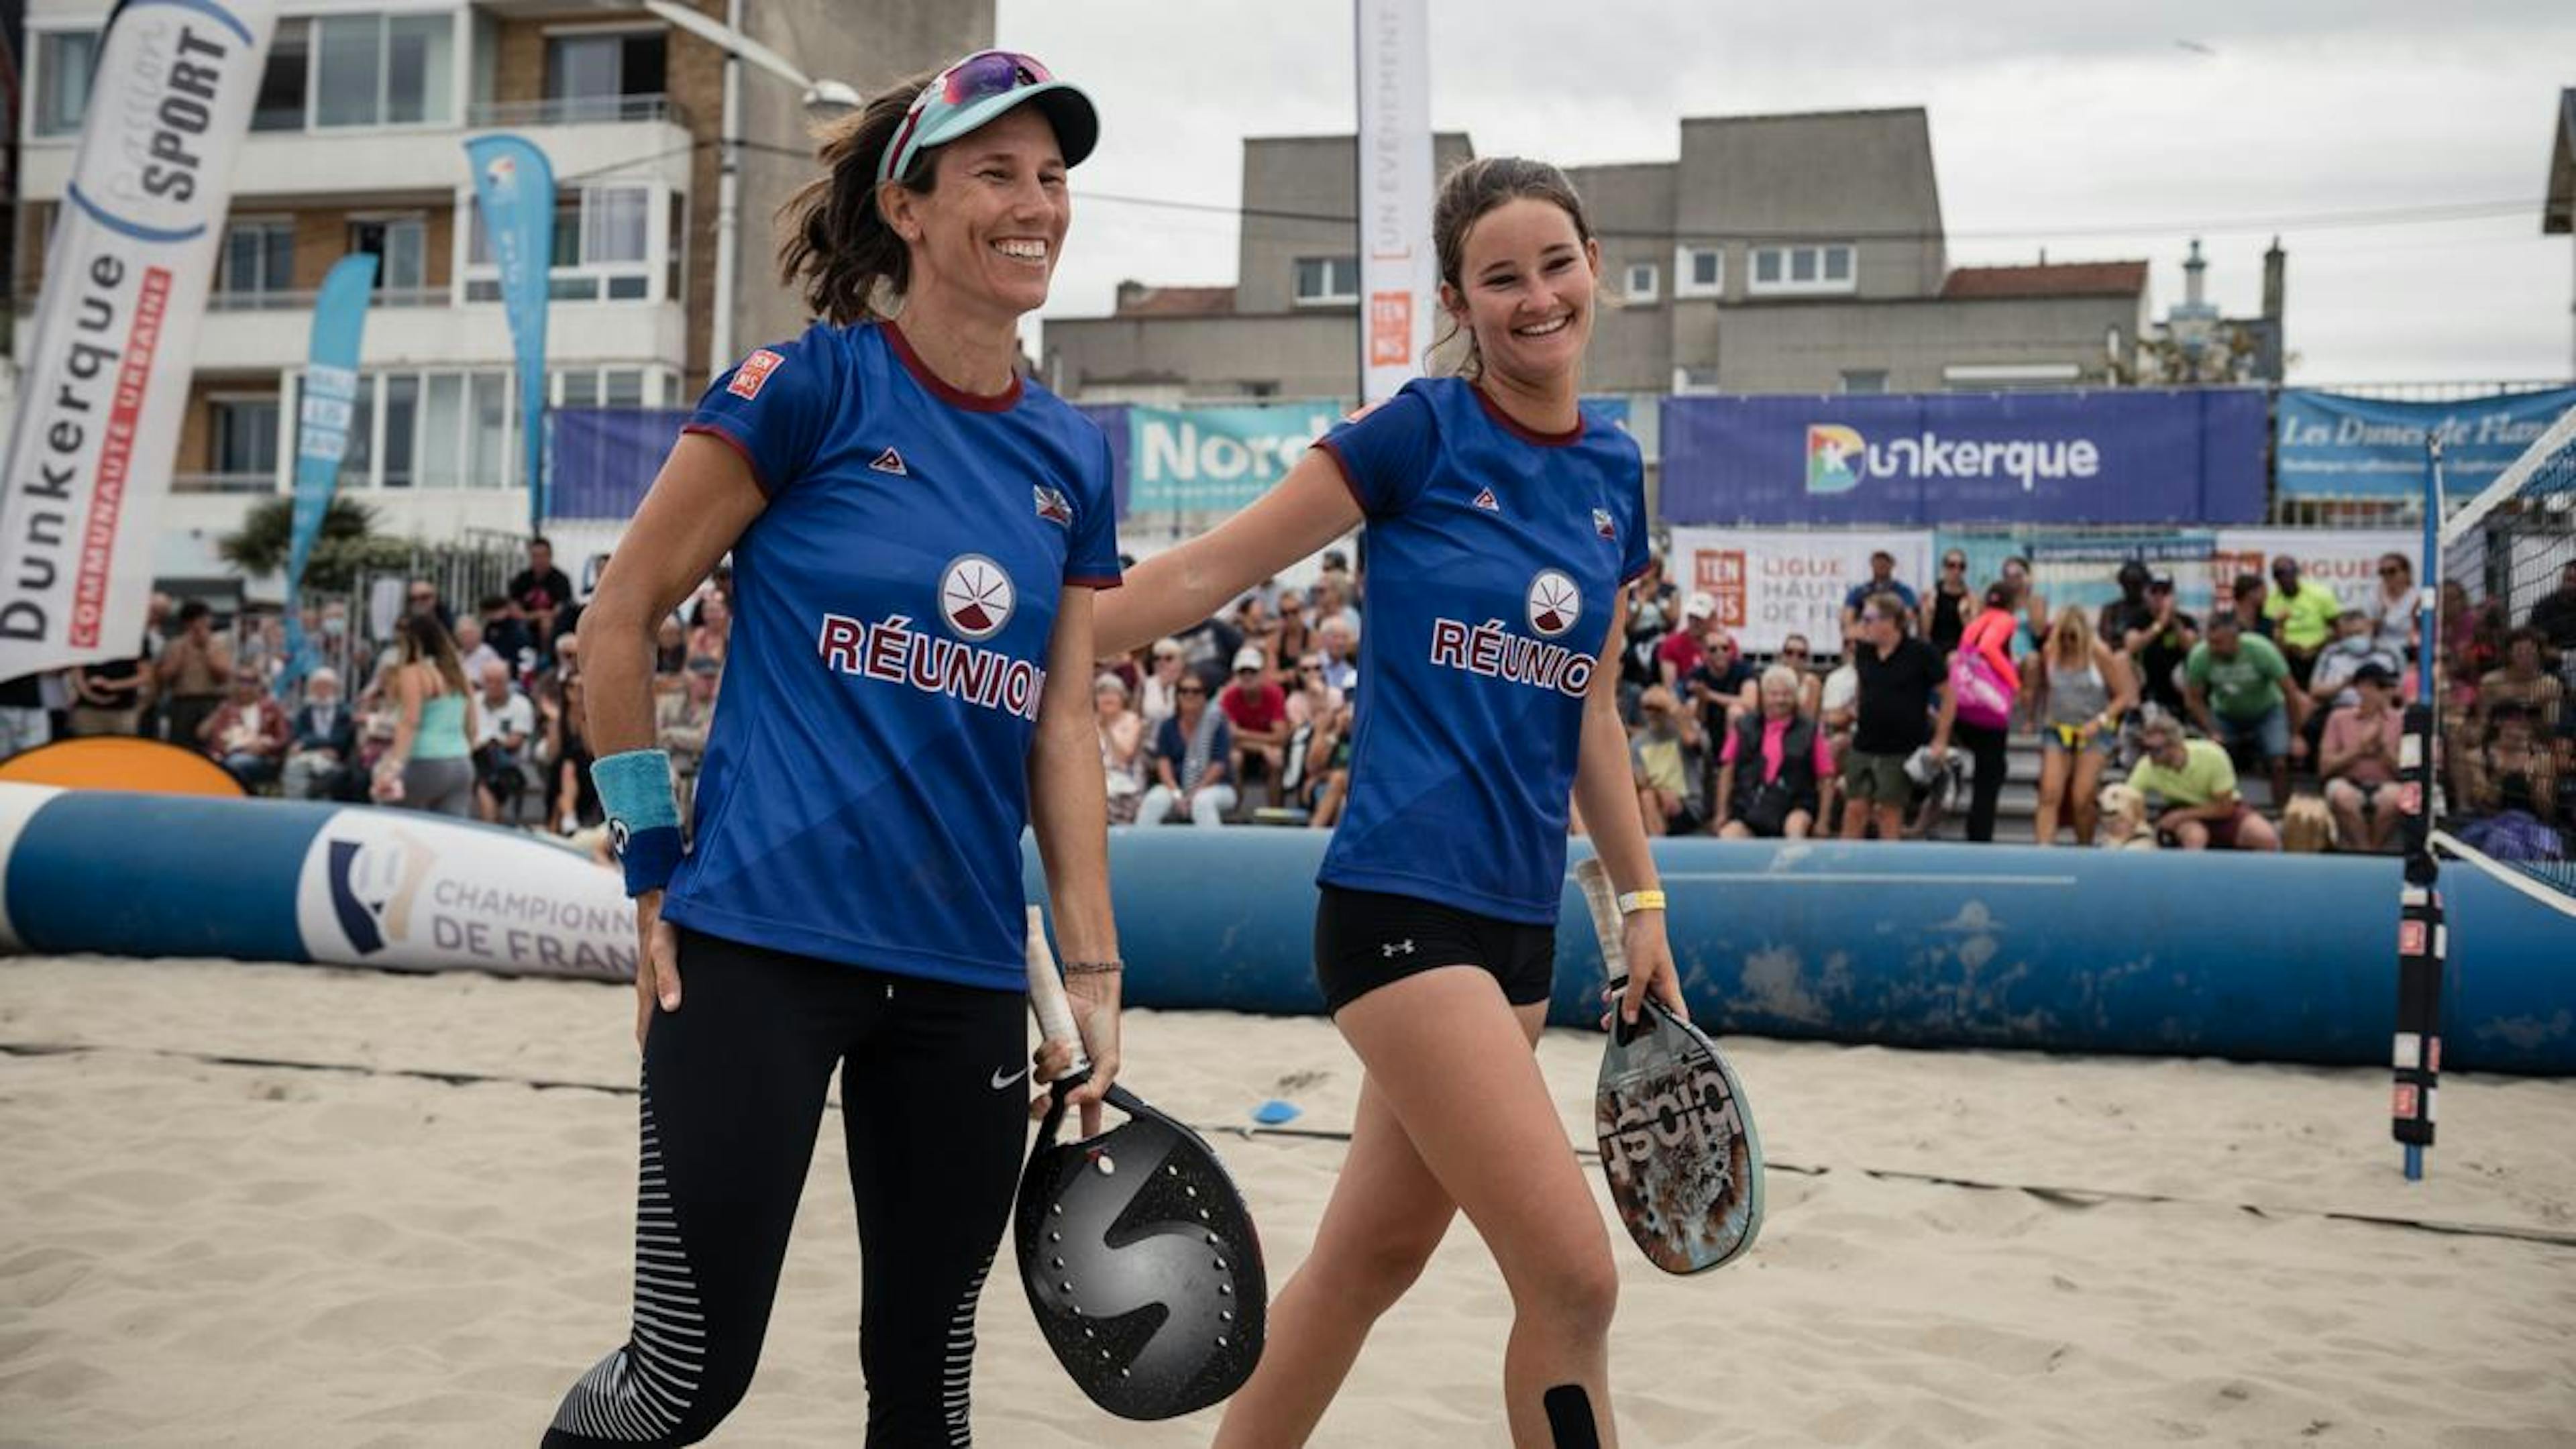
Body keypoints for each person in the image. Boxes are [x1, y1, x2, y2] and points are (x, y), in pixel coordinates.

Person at [540, 51, 1124, 1448]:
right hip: (755, 950)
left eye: (1050, 176)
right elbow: (615, 623)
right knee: (684, 1379)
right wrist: (647, 858)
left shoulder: (1073, 456)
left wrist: (1093, 973)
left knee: (927, 1395)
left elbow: (1063, 721)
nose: (1033, 202)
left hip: (965, 980)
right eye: (995, 172)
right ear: (909, 208)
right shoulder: (806, 387)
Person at [1094, 156, 1676, 1448]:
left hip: (1522, 934)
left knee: (1367, 1268)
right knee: (1574, 1279)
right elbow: (1212, 567)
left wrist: (1640, 903)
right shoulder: (1419, 431)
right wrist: (1049, 637)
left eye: (1556, 265)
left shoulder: (1612, 472)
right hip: (1400, 916)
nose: (1537, 297)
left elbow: (1590, 707)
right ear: (1461, 301)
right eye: (1502, 277)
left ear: (1598, 269)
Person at [1839, 592, 1951, 842]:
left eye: (1870, 619)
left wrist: (1941, 739)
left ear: (1891, 622)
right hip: (1865, 741)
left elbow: (1950, 695)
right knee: (1854, 808)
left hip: (1900, 747)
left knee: (1888, 811)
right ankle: (1845, 866)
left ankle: (1887, 869)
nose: (1864, 625)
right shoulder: (1865, 652)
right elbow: (1863, 684)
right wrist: (1858, 707)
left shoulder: (1922, 653)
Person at [2030, 605, 2136, 847]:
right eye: (2063, 636)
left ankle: (2084, 846)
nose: (2068, 643)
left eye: (2073, 637)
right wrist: (2034, 716)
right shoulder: (2050, 652)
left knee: (2082, 796)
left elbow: (2123, 696)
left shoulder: (2099, 654)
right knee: (2049, 793)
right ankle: (2043, 849)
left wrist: (2100, 721)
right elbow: (2044, 688)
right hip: (2058, 728)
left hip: (2093, 730)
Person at [2184, 612, 2307, 808]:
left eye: (2218, 643)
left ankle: (2283, 810)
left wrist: (2296, 734)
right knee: (2212, 758)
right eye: (2210, 642)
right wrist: (2211, 730)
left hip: (2267, 711)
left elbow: (2291, 693)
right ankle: (2219, 808)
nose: (2213, 648)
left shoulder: (2261, 650)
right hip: (2226, 714)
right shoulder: (2200, 656)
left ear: (2235, 638)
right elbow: (2194, 699)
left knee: (2279, 761)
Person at [2127, 708, 2281, 852]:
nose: (2150, 754)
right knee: (2195, 837)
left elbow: (2225, 807)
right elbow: (2128, 796)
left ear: (2175, 745)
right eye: (2145, 748)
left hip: (2220, 808)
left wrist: (2181, 815)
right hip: (2181, 806)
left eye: (2155, 750)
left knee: (2266, 837)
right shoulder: (2147, 765)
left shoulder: (2212, 755)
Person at [370, 613, 478, 817]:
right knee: (448, 834)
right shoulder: (457, 672)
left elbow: (410, 721)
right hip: (461, 763)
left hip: (426, 759)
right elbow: (472, 721)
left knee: (395, 822)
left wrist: (393, 768)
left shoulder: (414, 672)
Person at [1715, 665, 1831, 839]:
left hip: (1795, 805)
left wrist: (1823, 821)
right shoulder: (1743, 726)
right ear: (1763, 696)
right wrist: (1721, 813)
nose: (1780, 700)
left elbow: (1826, 777)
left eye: (1786, 694)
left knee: (1795, 827)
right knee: (1728, 836)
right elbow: (1727, 769)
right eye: (1774, 694)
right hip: (1750, 806)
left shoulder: (1810, 730)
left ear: (1795, 697)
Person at [1950, 582, 2022, 843]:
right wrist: (2015, 682)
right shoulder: (2006, 620)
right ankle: (1980, 834)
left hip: (1967, 706)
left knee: (1989, 770)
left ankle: (1974, 827)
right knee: (1989, 777)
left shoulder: (1975, 623)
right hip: (1991, 711)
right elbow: (1989, 648)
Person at [2321, 663, 2406, 854]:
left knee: (2394, 798)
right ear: (2361, 688)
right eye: (2379, 687)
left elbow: (2408, 772)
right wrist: (2359, 749)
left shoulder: (2402, 721)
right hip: (2347, 781)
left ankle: (2372, 852)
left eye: (2387, 688)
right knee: (2344, 797)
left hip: (2389, 783)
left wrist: (2383, 747)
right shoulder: (2338, 718)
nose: (2385, 694)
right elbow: (2325, 767)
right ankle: (2365, 852)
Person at [1137, 672, 1236, 826]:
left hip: (1216, 788)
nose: (1190, 695)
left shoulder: (1216, 725)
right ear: (1177, 695)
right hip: (1176, 788)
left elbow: (1218, 766)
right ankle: (1141, 848)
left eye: (1196, 691)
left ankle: (1214, 850)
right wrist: (1177, 795)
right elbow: (1163, 764)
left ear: (1205, 695)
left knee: (1202, 802)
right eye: (1184, 691)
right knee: (1153, 800)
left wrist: (1193, 794)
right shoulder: (1168, 726)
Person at [155, 601, 233, 752]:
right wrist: (180, 654)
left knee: (211, 745)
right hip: (183, 702)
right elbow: (164, 676)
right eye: (202, 620)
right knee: (182, 747)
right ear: (189, 623)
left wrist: (207, 650)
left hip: (211, 700)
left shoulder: (218, 644)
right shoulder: (174, 645)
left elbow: (224, 674)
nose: (206, 624)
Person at [1629, 684, 1707, 835]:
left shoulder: (1682, 732)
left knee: (1652, 798)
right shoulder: (1637, 742)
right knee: (1647, 797)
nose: (1653, 713)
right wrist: (1660, 792)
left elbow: (1692, 741)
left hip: (1687, 803)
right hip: (1656, 801)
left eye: (1658, 709)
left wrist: (1670, 704)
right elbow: (1641, 782)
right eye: (1648, 708)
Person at [653, 655, 721, 824]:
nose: (710, 683)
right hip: (667, 765)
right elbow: (654, 736)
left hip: (699, 769)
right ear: (689, 677)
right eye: (704, 678)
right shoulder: (668, 703)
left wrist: (670, 734)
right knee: (666, 779)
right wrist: (685, 739)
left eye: (713, 678)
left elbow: (704, 740)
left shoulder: (718, 708)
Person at [1218, 643, 1291, 795]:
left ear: (1261, 673)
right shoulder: (1229, 696)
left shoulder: (1274, 693)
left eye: (1252, 671)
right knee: (1234, 758)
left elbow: (1281, 737)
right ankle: (1234, 813)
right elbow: (1230, 737)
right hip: (1250, 747)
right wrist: (1263, 746)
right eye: (1242, 671)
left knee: (1276, 758)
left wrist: (1242, 734)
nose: (1247, 676)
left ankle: (1274, 813)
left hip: (1261, 746)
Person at [201, 666, 290, 788]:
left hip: (263, 758)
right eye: (241, 681)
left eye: (250, 682)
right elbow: (213, 739)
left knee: (233, 765)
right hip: (230, 756)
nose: (245, 687)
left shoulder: (272, 708)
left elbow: (284, 738)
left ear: (258, 685)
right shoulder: (226, 710)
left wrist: (266, 747)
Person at [471, 659, 537, 822]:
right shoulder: (473, 702)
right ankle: (493, 824)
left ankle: (491, 823)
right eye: (488, 681)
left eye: (498, 681)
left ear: (508, 681)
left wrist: (492, 742)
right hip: (475, 758)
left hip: (508, 764)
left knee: (484, 777)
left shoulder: (521, 704)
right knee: (482, 771)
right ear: (482, 682)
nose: (493, 686)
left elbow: (516, 741)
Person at [2124, 573, 2198, 717]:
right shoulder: (2138, 620)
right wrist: (2160, 624)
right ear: (2147, 595)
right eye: (2154, 592)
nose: (2159, 597)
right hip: (2148, 687)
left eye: (2164, 592)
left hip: (2179, 688)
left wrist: (2173, 621)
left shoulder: (2186, 621)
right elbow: (2132, 645)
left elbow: (2191, 647)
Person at [283, 668, 362, 802]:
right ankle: (296, 807)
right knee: (293, 766)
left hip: (335, 758)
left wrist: (307, 743)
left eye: (326, 686)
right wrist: (318, 746)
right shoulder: (305, 711)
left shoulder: (343, 712)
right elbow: (298, 736)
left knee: (326, 773)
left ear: (335, 689)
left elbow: (339, 740)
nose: (322, 691)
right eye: (318, 686)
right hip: (309, 755)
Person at [2263, 555, 2338, 686]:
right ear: (2274, 578)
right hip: (2289, 655)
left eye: (2290, 572)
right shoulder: (2270, 601)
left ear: (2297, 572)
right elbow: (2272, 635)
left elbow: (2337, 628)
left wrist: (2316, 648)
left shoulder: (2320, 594)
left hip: (2321, 651)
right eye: (2279, 574)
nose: (2285, 578)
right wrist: (2291, 648)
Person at [70, 637, 153, 737]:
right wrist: (93, 696)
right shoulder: (89, 631)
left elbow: (146, 675)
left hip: (124, 709)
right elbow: (77, 671)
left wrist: (112, 685)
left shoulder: (135, 636)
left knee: (122, 750)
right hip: (89, 709)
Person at [1095, 673, 1148, 824]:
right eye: (1103, 693)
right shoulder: (1087, 722)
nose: (1108, 698)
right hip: (1096, 778)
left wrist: (1107, 730)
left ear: (1123, 697)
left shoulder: (1132, 720)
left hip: (1124, 782)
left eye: (1113, 693)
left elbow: (1124, 758)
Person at [510, 536, 576, 647]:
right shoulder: (521, 579)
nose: (539, 560)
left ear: (550, 556)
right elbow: (514, 609)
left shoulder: (561, 579)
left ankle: (545, 658)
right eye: (535, 556)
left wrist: (538, 616)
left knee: (546, 624)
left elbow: (558, 611)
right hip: (526, 620)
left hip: (551, 623)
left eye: (543, 555)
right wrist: (534, 616)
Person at [1841, 549, 1917, 635]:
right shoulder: (1860, 590)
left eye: (1885, 562)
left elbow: (1908, 613)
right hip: (1866, 630)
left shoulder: (1903, 590)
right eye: (1877, 562)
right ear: (1872, 565)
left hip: (1892, 630)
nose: (1881, 564)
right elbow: (1848, 612)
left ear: (1892, 565)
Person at [1923, 548, 1971, 655]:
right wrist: (1928, 612)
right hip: (1935, 647)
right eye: (1952, 566)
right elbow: (1924, 633)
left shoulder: (1971, 598)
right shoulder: (1931, 594)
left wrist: (1965, 615)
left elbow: (1973, 635)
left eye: (1961, 567)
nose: (1956, 571)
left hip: (1960, 649)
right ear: (1944, 568)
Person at [2371, 552, 2418, 659]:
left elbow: (2416, 629)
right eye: (2382, 572)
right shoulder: (2374, 596)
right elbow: (2371, 631)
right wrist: (2382, 612)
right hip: (2382, 651)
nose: (2387, 576)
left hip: (2409, 651)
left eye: (2392, 571)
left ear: (2406, 572)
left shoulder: (2417, 597)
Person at [2530, 559, 2576, 655]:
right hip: (2551, 665)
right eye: (2569, 579)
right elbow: (2532, 641)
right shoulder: (2544, 607)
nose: (2572, 585)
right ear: (2563, 579)